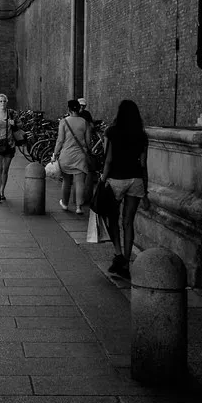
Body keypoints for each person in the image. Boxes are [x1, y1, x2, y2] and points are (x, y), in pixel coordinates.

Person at [97, 100, 148, 279]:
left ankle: (118, 253)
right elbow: (143, 164)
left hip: (116, 179)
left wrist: (102, 180)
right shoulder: (141, 135)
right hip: (135, 180)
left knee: (112, 218)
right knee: (128, 222)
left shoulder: (111, 132)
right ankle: (126, 260)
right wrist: (146, 192)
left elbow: (108, 160)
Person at [53, 99, 94, 215]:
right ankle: (78, 207)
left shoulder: (63, 122)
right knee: (80, 182)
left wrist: (55, 154)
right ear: (79, 109)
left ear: (69, 109)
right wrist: (88, 151)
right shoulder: (84, 122)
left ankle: (65, 204)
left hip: (66, 155)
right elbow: (88, 141)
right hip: (80, 156)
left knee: (66, 181)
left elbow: (60, 140)